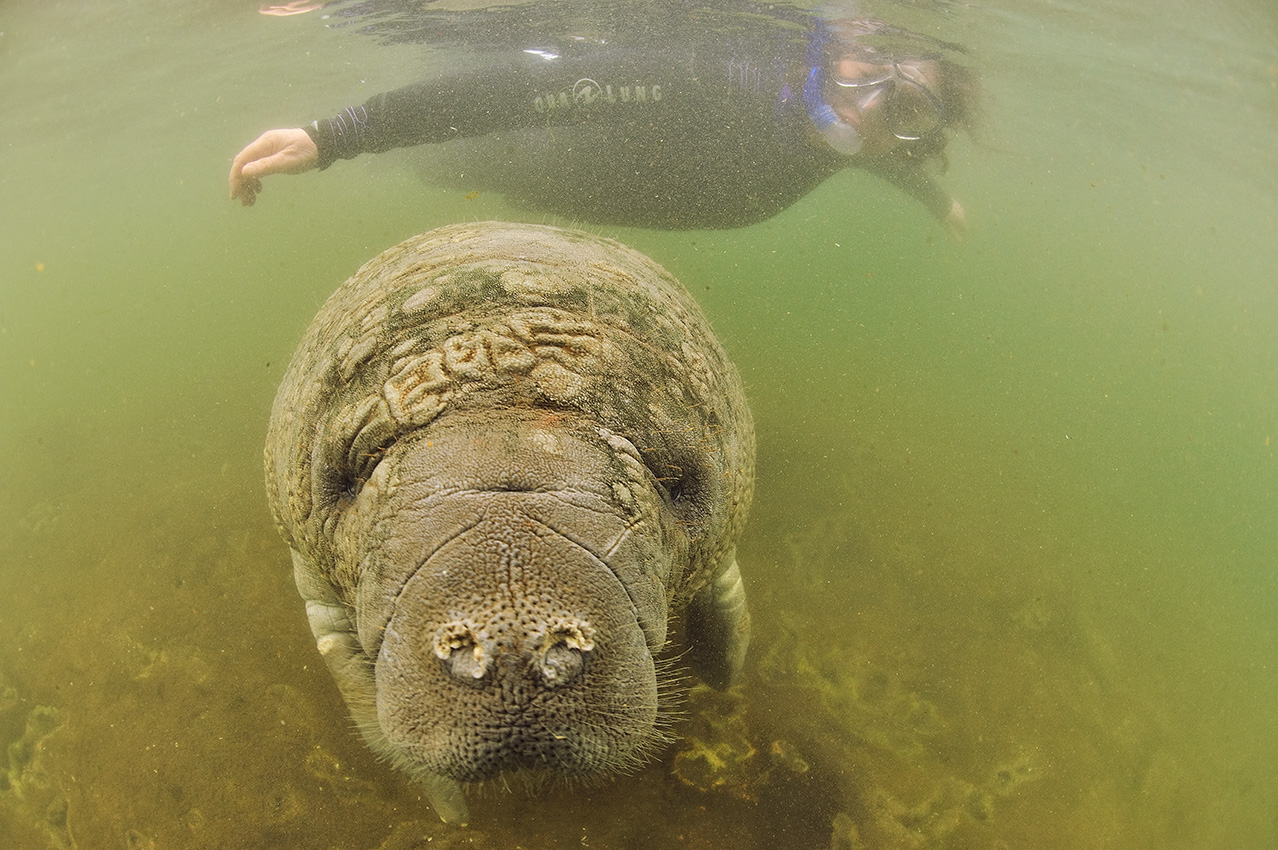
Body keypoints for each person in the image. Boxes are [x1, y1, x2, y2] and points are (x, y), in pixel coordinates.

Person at [229, 12, 979, 236]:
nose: (872, 104)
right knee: (442, 167)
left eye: (908, 106)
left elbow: (874, 150)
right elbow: (516, 94)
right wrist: (336, 137)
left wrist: (936, 201)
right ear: (837, 45)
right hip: (529, 152)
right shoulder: (717, 80)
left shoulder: (861, 135)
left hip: (573, 199)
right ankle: (397, 161)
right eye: (867, 68)